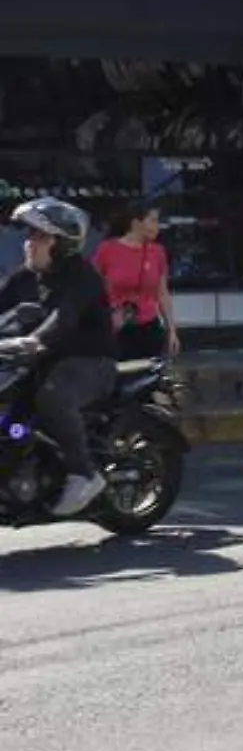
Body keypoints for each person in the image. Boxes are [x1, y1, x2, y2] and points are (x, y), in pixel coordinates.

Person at [0, 198, 119, 516]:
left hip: (90, 364)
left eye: (39, 236)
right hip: (43, 363)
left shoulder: (82, 277)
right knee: (12, 420)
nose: (29, 243)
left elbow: (62, 319)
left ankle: (84, 474)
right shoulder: (26, 278)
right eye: (29, 235)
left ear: (61, 244)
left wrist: (32, 341)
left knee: (52, 396)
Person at [92, 202, 180, 360]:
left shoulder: (158, 252)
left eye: (158, 221)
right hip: (116, 329)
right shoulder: (107, 250)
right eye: (152, 220)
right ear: (136, 223)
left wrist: (171, 330)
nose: (157, 226)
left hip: (149, 328)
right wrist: (106, 316)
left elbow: (162, 294)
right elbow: (90, 289)